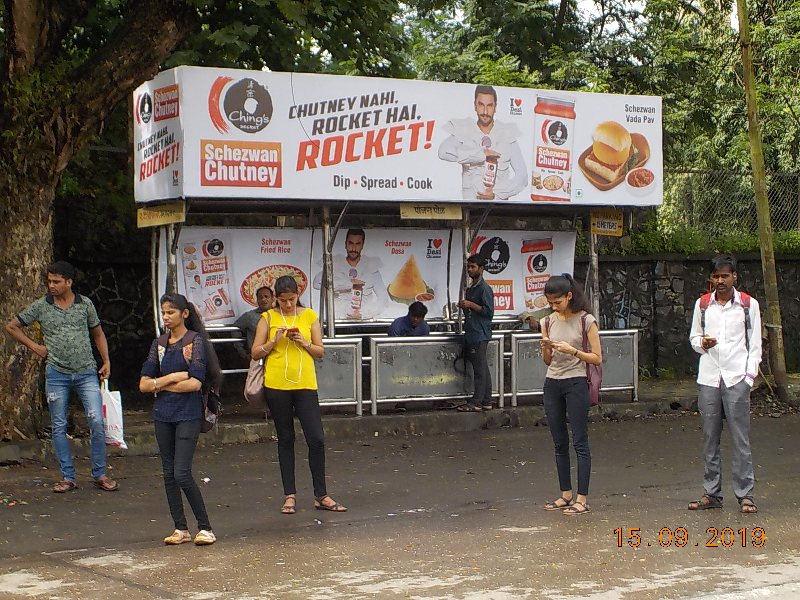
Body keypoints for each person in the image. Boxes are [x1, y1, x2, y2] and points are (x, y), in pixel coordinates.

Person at [4, 261, 118, 493]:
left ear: (69, 282)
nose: (52, 285)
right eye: (49, 281)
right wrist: (35, 346)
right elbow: (12, 326)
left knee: (96, 421)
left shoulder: (84, 304)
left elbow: (98, 333)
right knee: (58, 425)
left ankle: (100, 473)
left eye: (56, 281)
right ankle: (68, 477)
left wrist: (106, 360)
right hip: (57, 373)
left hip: (86, 371)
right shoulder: (42, 306)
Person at [251, 275, 347, 515]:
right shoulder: (268, 318)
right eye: (283, 300)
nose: (288, 304)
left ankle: (321, 494)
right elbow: (255, 352)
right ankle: (289, 495)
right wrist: (273, 341)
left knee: (316, 438)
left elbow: (320, 351)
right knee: (285, 438)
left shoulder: (309, 316)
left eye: (292, 299)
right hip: (277, 385)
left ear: (298, 296)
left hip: (305, 384)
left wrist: (303, 342)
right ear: (276, 298)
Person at [140, 293, 222, 545]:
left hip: (188, 414)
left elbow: (195, 383)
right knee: (168, 473)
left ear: (184, 314)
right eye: (163, 312)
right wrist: (172, 378)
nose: (166, 317)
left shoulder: (194, 341)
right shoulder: (159, 344)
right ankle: (180, 528)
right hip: (162, 415)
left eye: (170, 312)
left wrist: (159, 385)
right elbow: (143, 384)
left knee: (181, 472)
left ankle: (205, 527)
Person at [687, 255, 761, 514]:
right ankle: (712, 493)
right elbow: (694, 337)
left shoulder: (748, 305)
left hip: (736, 378)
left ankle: (745, 495)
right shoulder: (703, 305)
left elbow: (755, 344)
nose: (720, 280)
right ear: (711, 278)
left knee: (740, 439)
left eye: (725, 276)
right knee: (710, 438)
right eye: (716, 276)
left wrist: (748, 378)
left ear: (734, 277)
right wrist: (702, 343)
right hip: (709, 377)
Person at [539, 274, 602, 516]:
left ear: (569, 296)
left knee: (580, 441)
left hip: (576, 382)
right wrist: (546, 349)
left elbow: (597, 358)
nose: (554, 307)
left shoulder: (586, 320)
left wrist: (573, 351)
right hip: (552, 382)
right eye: (550, 303)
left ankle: (582, 498)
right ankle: (565, 494)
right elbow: (548, 361)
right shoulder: (547, 322)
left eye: (558, 302)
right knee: (559, 442)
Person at [438, 84, 527, 200]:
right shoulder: (464, 130)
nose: (485, 111)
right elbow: (443, 152)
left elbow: (522, 176)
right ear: (475, 106)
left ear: (495, 107)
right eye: (481, 105)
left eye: (489, 105)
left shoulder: (507, 133)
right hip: (470, 207)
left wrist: (497, 194)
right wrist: (481, 154)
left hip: (499, 207)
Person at [312, 228, 388, 320]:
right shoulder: (334, 264)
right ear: (345, 244)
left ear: (362, 245)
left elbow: (383, 299)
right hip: (337, 321)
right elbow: (316, 283)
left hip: (363, 321)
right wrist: (343, 286)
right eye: (350, 243)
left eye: (358, 244)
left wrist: (365, 314)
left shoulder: (371, 266)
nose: (353, 248)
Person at [457, 255, 495, 411]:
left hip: (480, 333)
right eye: (468, 267)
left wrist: (470, 304)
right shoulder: (471, 288)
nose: (470, 270)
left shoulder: (484, 289)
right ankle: (486, 400)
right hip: (472, 332)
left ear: (481, 269)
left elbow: (488, 312)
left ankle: (477, 401)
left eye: (473, 267)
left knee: (479, 370)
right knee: (482, 368)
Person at [233, 286, 275, 357]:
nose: (263, 299)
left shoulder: (280, 314)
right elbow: (235, 328)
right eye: (260, 297)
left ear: (272, 299)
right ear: (257, 300)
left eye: (266, 296)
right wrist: (241, 350)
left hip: (276, 355)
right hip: (257, 356)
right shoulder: (249, 316)